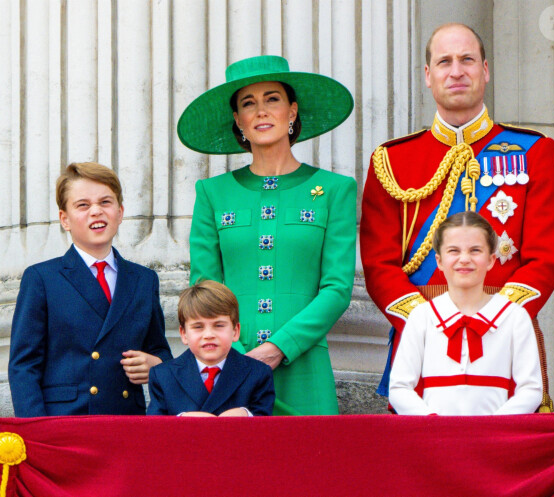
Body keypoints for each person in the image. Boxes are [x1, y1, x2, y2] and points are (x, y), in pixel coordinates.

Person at [361, 23, 554, 410]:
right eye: (444, 62)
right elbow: (378, 263)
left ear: (485, 70)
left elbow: (545, 259)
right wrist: (428, 325)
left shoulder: (535, 151)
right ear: (428, 76)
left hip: (507, 334)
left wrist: (497, 320)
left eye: (467, 60)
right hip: (418, 336)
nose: (456, 71)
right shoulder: (392, 160)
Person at [177, 55, 356, 415]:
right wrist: (241, 355)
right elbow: (206, 287)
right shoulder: (212, 193)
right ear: (238, 120)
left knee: (312, 468)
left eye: (272, 99)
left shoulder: (335, 189)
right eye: (248, 103)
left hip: (304, 368)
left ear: (292, 111)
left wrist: (280, 347)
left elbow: (337, 288)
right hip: (232, 368)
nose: (261, 111)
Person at [8, 162, 172, 416]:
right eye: (83, 205)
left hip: (126, 419)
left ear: (120, 211)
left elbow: (159, 350)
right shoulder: (42, 278)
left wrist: (157, 365)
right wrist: (36, 432)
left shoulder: (144, 279)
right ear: (65, 219)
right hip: (65, 421)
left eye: (105, 202)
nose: (96, 211)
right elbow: (24, 366)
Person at [389, 212, 542, 415]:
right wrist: (431, 422)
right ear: (439, 261)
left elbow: (531, 389)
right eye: (453, 251)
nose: (464, 259)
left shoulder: (514, 317)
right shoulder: (422, 316)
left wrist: (494, 426)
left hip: (494, 440)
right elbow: (399, 388)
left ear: (491, 260)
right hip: (436, 439)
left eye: (475, 250)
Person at [147, 280, 275, 416]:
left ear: (235, 331)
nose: (208, 335)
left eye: (219, 325)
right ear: (184, 334)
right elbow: (155, 430)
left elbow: (265, 427)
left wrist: (246, 415)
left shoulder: (258, 374)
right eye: (198, 327)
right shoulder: (163, 376)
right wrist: (181, 421)